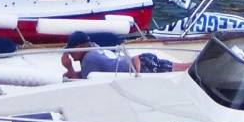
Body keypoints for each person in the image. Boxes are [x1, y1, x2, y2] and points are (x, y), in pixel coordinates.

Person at [60, 31, 189, 79]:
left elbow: (85, 84)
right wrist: (71, 73)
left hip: (141, 68)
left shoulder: (89, 59)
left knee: (185, 71)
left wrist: (69, 68)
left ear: (81, 47)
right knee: (185, 68)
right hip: (142, 61)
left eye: (71, 50)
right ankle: (204, 61)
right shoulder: (94, 48)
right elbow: (86, 74)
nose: (69, 53)